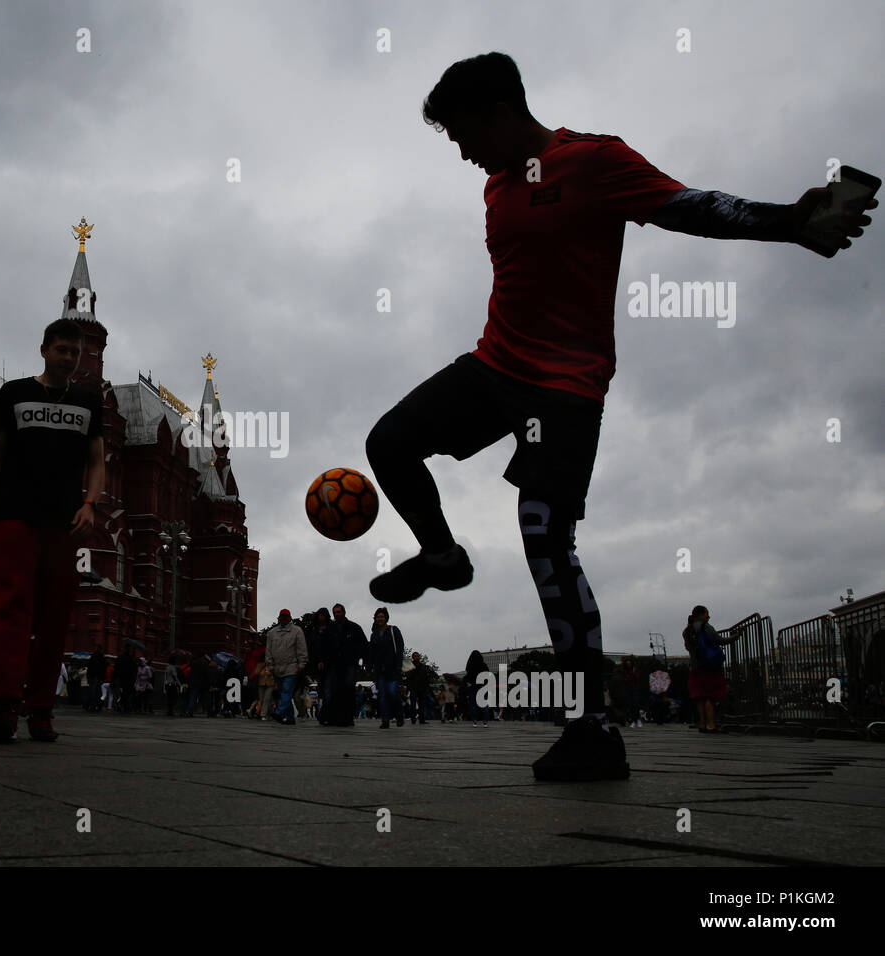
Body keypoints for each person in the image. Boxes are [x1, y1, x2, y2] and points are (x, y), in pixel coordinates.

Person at [362, 53, 875, 780]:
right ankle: (442, 555)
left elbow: (689, 205)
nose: (462, 151)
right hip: (495, 365)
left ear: (501, 112)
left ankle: (593, 729)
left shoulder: (594, 161)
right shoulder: (497, 187)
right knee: (389, 442)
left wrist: (789, 223)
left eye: (463, 134)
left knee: (545, 538)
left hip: (567, 387)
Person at [0, 319, 105, 743]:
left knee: (54, 617)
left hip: (63, 523)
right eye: (61, 349)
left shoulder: (89, 401)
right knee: (10, 611)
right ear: (44, 350)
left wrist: (90, 504)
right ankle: (6, 707)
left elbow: (98, 462)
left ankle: (42, 710)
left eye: (75, 352)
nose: (68, 358)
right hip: (13, 514)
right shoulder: (14, 393)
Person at [682, 605, 740, 733]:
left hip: (695, 667)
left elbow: (688, 648)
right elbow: (721, 640)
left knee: (700, 696)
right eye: (707, 613)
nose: (708, 616)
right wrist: (736, 636)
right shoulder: (706, 627)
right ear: (701, 615)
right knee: (710, 696)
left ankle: (702, 724)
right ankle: (711, 724)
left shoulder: (687, 630)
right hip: (710, 666)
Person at [321, 605, 367, 727]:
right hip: (334, 664)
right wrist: (323, 661)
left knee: (349, 690)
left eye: (339, 612)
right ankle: (334, 718)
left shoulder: (354, 627)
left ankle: (348, 717)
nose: (337, 614)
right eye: (335, 612)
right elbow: (324, 646)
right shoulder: (330, 628)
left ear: (344, 612)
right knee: (335, 691)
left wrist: (365, 661)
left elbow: (364, 644)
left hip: (350, 664)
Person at [265, 609, 308, 724]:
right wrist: (269, 664)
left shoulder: (297, 631)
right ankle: (290, 718)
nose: (284, 618)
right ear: (279, 617)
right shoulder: (271, 633)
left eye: (286, 616)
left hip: (292, 667)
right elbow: (268, 650)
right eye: (282, 616)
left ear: (290, 618)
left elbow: (301, 648)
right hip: (277, 667)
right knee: (283, 692)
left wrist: (302, 663)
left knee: (286, 691)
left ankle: (280, 712)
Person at [369, 607, 405, 729]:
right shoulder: (374, 635)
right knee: (382, 695)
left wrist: (399, 664)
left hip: (393, 668)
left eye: (382, 616)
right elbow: (372, 653)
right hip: (380, 670)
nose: (380, 618)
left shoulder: (393, 630)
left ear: (386, 618)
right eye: (378, 617)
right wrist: (371, 668)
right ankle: (385, 720)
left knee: (392, 692)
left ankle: (399, 714)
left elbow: (400, 648)